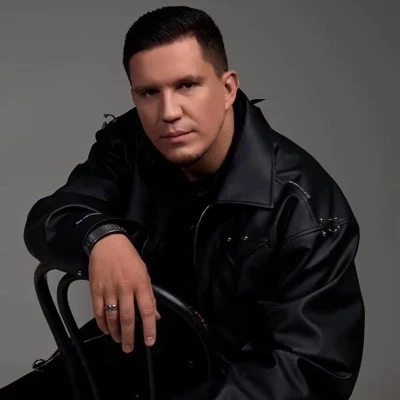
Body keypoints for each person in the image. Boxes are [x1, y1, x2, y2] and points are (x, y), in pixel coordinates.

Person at [23, 5, 365, 399]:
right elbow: (49, 217)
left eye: (187, 85)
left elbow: (310, 371)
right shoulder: (130, 145)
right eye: (149, 92)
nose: (169, 113)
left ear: (228, 88)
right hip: (127, 368)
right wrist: (101, 237)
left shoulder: (301, 205)